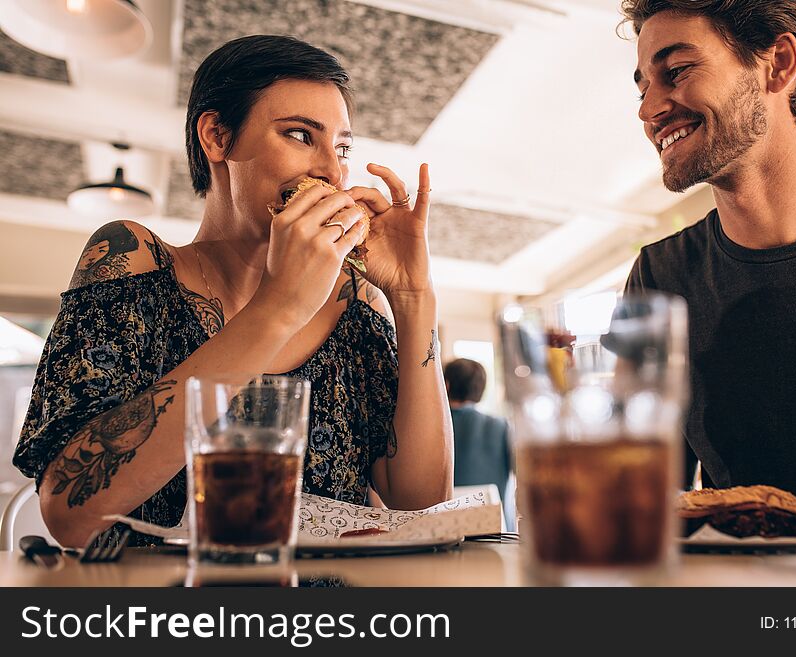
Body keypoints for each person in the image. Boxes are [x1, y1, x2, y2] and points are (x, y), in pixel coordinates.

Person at [13, 35, 453, 547]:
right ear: (218, 137)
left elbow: (424, 510)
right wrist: (280, 306)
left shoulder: (357, 304)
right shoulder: (132, 256)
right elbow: (69, 513)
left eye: (342, 148)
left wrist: (413, 297)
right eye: (299, 135)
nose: (332, 171)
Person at [619, 0, 796, 527]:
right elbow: (642, 494)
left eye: (676, 71)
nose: (649, 110)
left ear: (779, 63)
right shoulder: (657, 278)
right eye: (644, 86)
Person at [444, 359, 512, 516]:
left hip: (443, 528)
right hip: (496, 529)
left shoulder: (432, 428)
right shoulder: (501, 426)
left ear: (446, 385)